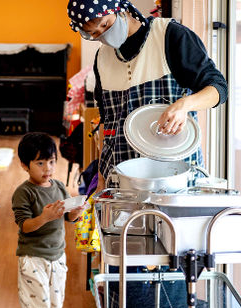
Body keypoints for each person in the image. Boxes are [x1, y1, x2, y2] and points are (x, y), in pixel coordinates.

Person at [67, 0, 227, 191]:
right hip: (123, 180)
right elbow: (106, 120)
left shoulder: (170, 35)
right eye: (94, 33)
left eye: (105, 24)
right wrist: (102, 173)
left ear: (121, 9)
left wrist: (185, 105)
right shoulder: (102, 58)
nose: (103, 34)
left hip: (174, 177)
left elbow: (218, 88)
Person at [11, 132, 85, 308]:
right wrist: (44, 217)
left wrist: (75, 213)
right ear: (25, 166)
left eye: (51, 162)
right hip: (33, 258)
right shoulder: (24, 192)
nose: (48, 169)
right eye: (40, 163)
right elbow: (24, 225)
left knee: (55, 305)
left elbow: (68, 217)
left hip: (58, 257)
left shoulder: (60, 186)